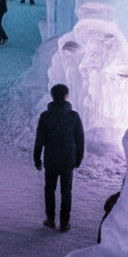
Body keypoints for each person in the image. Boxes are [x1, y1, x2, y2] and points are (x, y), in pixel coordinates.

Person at [34, 83, 84, 232]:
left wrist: (37, 157)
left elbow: (40, 139)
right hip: (68, 160)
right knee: (66, 191)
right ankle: (64, 222)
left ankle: (50, 220)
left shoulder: (45, 116)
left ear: (52, 96)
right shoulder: (74, 116)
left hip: (51, 160)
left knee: (49, 190)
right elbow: (80, 139)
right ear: (66, 96)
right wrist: (79, 157)